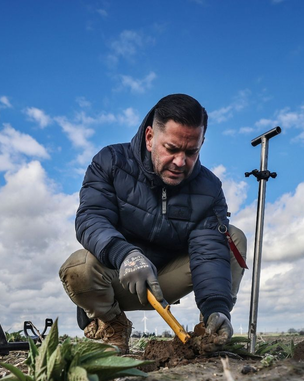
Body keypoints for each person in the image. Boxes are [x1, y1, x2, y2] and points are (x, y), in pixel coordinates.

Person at [59, 93, 247, 353]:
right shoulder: (111, 162)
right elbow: (91, 218)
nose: (181, 162)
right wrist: (126, 256)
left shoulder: (209, 188)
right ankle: (113, 324)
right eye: (171, 149)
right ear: (150, 138)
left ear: (201, 143)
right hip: (119, 279)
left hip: (166, 281)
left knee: (232, 238)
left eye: (191, 152)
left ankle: (211, 329)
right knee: (77, 267)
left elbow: (209, 251)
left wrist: (217, 306)